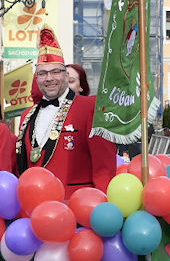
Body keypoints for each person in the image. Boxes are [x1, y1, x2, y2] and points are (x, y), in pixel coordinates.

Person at [16, 28, 115, 191]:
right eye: (43, 73)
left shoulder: (90, 107)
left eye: (55, 72)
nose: (49, 78)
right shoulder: (26, 115)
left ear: (66, 75)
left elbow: (104, 168)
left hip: (75, 202)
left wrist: (103, 200)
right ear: (36, 77)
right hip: (35, 203)